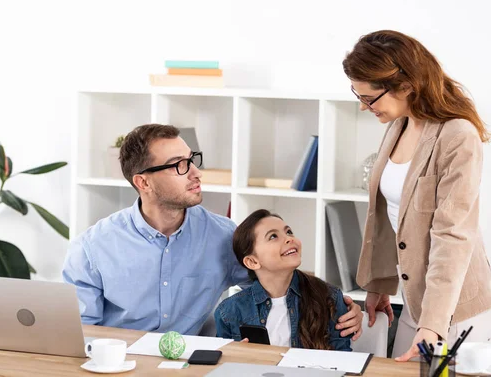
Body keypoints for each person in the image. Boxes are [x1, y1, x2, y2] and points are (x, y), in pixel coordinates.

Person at [62, 124, 363, 338]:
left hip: (192, 366)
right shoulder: (93, 247)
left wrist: (336, 303)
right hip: (120, 366)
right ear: (143, 183)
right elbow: (80, 334)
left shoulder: (222, 235)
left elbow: (277, 279)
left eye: (191, 160)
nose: (195, 172)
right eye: (178, 165)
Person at [342, 30, 491, 361]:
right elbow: (385, 215)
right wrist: (380, 283)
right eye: (357, 95)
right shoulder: (398, 125)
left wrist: (434, 323)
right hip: (413, 298)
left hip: (451, 309)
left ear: (406, 85)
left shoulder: (457, 136)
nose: (362, 106)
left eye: (369, 98)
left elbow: (453, 235)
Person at [215, 209, 352, 351]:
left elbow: (343, 359)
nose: (289, 238)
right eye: (273, 236)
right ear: (252, 262)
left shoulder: (329, 297)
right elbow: (223, 366)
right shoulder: (229, 312)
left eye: (289, 232)